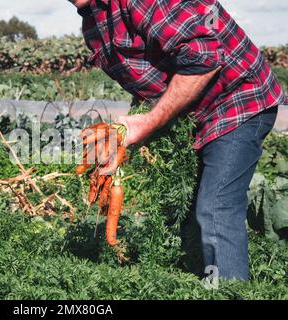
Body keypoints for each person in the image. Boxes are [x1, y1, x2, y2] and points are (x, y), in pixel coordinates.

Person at [69, 0, 287, 280]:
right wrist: (127, 133)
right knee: (186, 212)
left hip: (237, 97)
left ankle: (233, 290)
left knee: (216, 206)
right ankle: (202, 281)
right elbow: (149, 79)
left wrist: (149, 122)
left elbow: (204, 59)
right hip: (194, 112)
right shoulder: (94, 22)